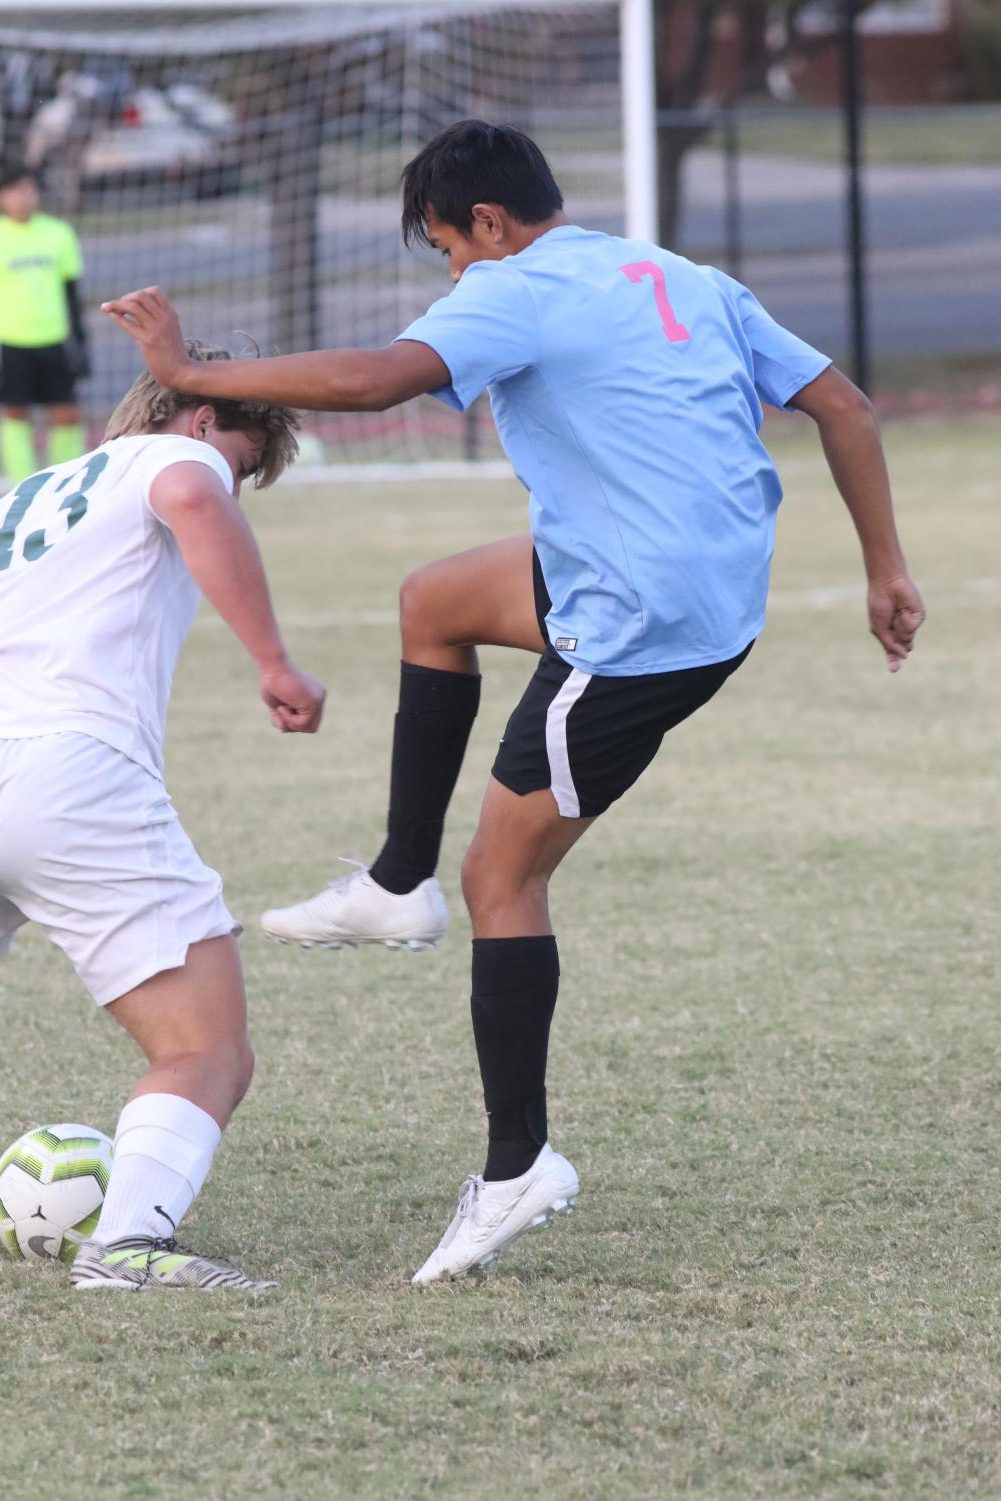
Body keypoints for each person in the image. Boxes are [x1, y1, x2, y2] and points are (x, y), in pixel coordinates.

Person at [101, 120, 925, 1287]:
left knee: (506, 880)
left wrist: (191, 376)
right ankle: (394, 885)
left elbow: (377, 379)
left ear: (488, 225)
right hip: (698, 573)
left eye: (446, 249)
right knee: (433, 600)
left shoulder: (514, 287)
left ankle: (517, 1165)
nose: (450, 278)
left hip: (636, 626)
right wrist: (885, 568)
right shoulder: (673, 274)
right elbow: (844, 406)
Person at [0, 342, 325, 1291]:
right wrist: (273, 660)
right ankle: (131, 1245)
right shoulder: (171, 460)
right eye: (241, 459)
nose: (231, 482)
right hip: (68, 770)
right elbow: (190, 495)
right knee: (203, 1045)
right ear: (197, 417)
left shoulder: (27, 492)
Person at [0, 162, 90, 485]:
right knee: (15, 415)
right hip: (10, 343)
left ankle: (68, 482)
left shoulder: (58, 233)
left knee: (66, 415)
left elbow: (73, 297)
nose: (24, 197)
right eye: (15, 190)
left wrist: (81, 343)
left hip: (53, 341)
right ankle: (23, 487)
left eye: (30, 189)